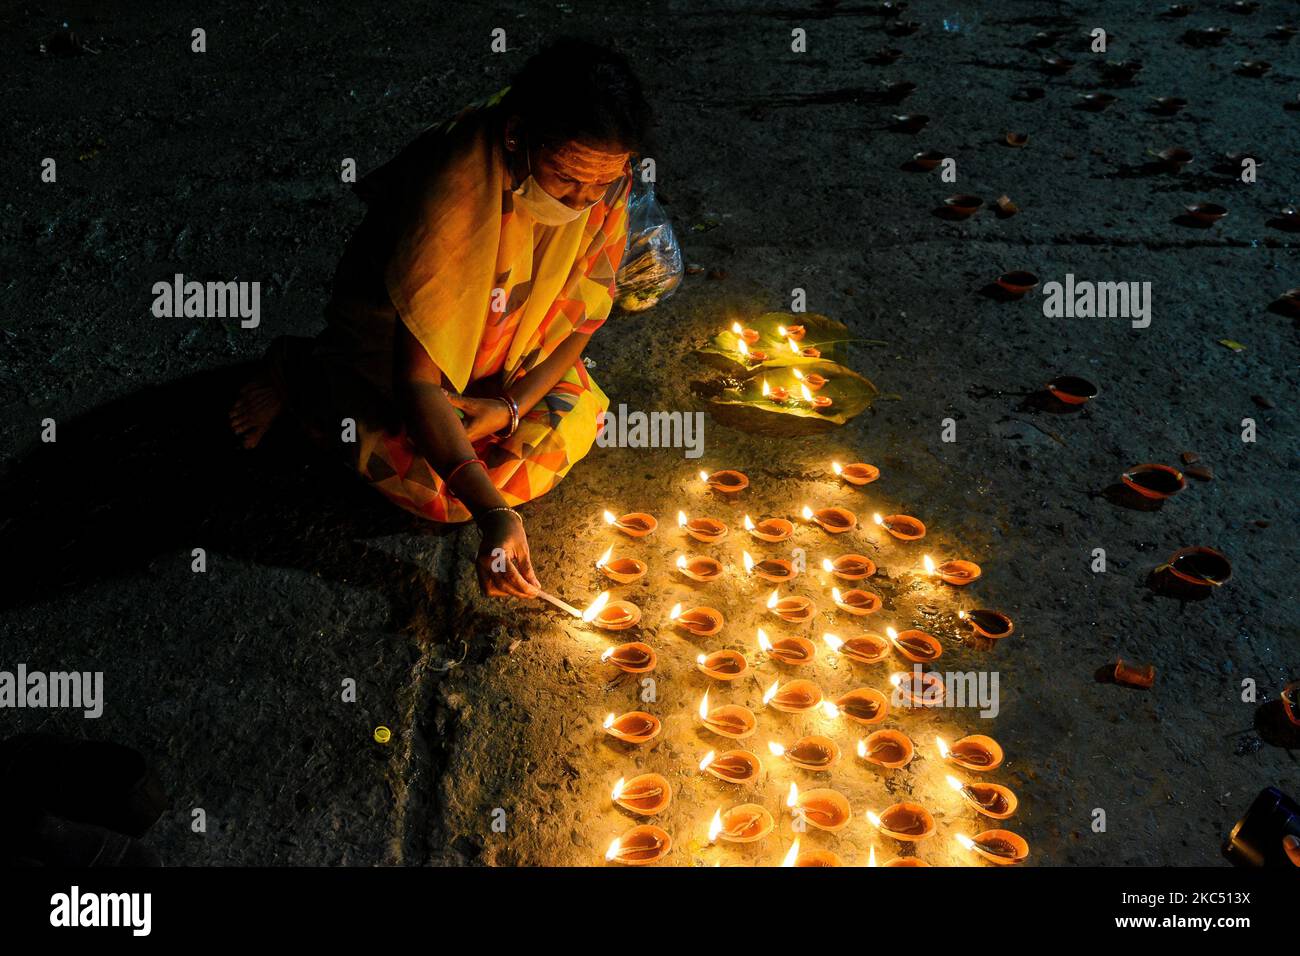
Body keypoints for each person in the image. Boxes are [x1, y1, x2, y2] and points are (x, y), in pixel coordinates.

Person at [229, 39, 652, 599]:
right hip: (398, 362)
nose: (584, 200)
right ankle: (301, 372)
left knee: (573, 423)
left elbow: (578, 323)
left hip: (504, 364)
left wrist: (507, 407)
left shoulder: (606, 181)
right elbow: (417, 381)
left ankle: (475, 442)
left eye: (602, 182)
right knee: (442, 497)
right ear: (516, 135)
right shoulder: (454, 185)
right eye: (567, 178)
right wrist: (496, 515)